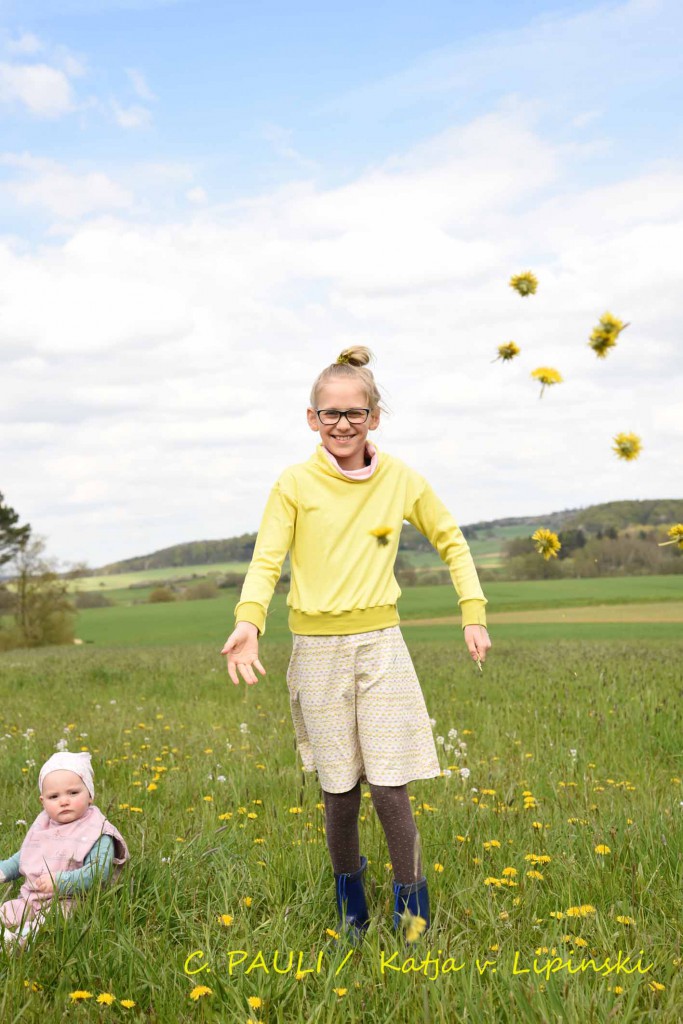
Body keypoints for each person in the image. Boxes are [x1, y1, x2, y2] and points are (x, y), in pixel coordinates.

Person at [221, 347, 490, 940]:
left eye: (356, 413)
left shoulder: (401, 480)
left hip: (381, 646)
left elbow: (453, 541)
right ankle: (350, 903)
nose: (343, 424)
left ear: (374, 416)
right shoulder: (293, 484)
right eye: (331, 413)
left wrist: (472, 612)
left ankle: (413, 909)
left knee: (391, 784)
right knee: (339, 789)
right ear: (312, 418)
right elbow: (267, 561)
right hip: (316, 650)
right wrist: (250, 621)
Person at [0, 751, 129, 948]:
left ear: (90, 794)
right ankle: (10, 932)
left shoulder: (97, 830)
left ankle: (21, 941)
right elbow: (28, 855)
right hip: (31, 897)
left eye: (73, 793)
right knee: (7, 911)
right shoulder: (45, 824)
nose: (64, 801)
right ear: (43, 801)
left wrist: (60, 881)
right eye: (54, 796)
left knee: (53, 919)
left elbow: (99, 872)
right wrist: (5, 870)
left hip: (70, 900)